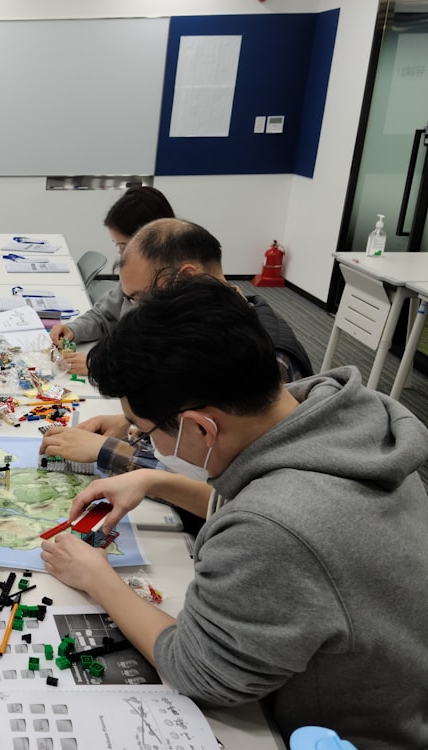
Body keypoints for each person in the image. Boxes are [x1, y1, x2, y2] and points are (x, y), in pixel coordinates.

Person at [41, 275, 428, 749]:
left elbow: (198, 671)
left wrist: (98, 578)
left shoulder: (273, 529)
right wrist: (155, 478)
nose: (142, 443)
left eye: (144, 432)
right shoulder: (346, 417)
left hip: (345, 734)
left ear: (202, 428)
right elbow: (282, 516)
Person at [40, 218, 314, 534]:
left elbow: (233, 494)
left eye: (141, 299)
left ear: (186, 279)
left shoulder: (266, 357)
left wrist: (113, 453)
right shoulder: (224, 324)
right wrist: (136, 425)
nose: (134, 312)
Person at [49, 185, 175, 375]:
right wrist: (73, 330)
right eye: (117, 245)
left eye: (124, 246)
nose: (120, 254)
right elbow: (104, 316)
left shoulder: (178, 293)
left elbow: (165, 363)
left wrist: (99, 365)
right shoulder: (134, 275)